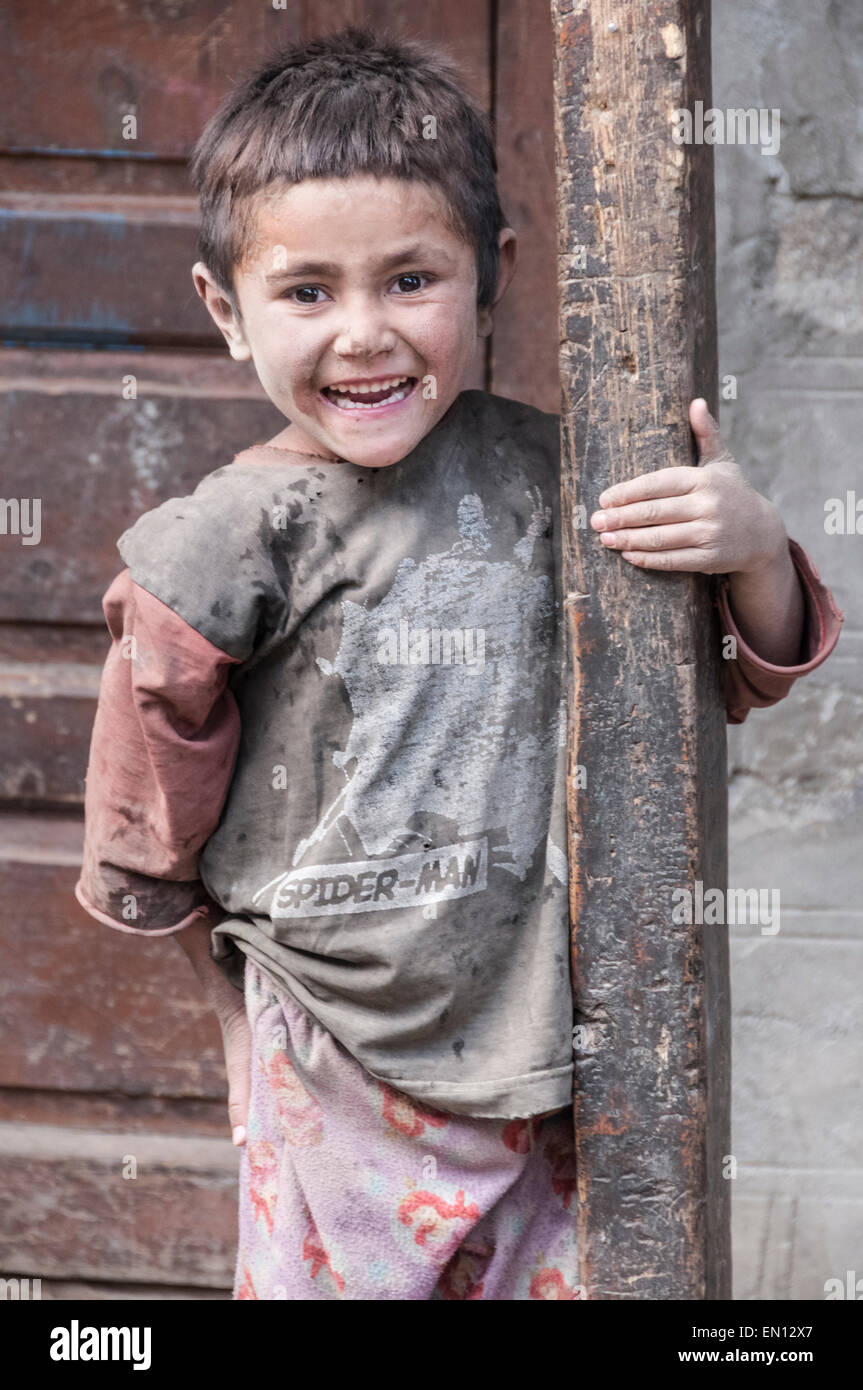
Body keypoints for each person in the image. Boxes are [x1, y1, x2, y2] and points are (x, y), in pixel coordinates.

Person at [74, 26, 843, 1301]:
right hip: (327, 1051)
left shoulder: (559, 484)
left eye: (410, 280)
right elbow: (147, 810)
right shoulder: (218, 545)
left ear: (490, 278)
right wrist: (225, 1007)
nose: (364, 335)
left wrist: (749, 545)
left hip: (547, 1042)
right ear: (225, 310)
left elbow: (727, 671)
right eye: (307, 291)